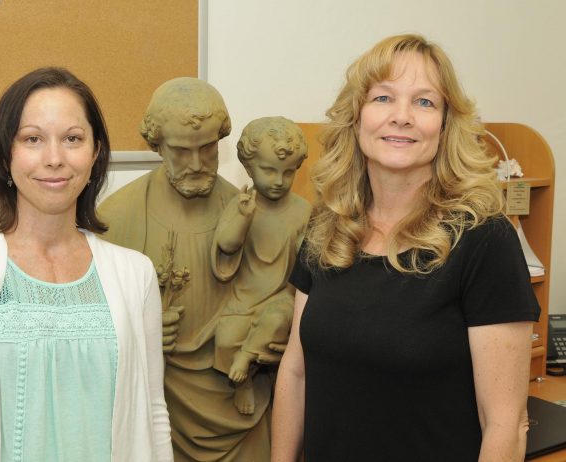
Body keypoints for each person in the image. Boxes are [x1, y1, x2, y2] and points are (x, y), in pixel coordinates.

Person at [272, 34, 540, 462]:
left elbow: (505, 425)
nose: (402, 117)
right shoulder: (328, 226)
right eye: (382, 97)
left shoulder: (485, 240)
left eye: (424, 102)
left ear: (447, 125)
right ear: (356, 117)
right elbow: (297, 372)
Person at [0, 67, 172, 462]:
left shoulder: (135, 275)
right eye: (33, 139)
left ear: (95, 153)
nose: (55, 158)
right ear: (6, 154)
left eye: (73, 139)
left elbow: (152, 412)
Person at [97, 77, 278, 461]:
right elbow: (86, 331)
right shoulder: (116, 219)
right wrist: (137, 327)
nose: (196, 164)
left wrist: (272, 339)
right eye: (181, 150)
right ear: (156, 145)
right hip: (158, 407)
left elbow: (273, 295)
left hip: (235, 404)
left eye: (208, 148)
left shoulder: (250, 213)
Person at [211, 116, 311, 416]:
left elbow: (310, 266)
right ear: (248, 167)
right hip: (245, 298)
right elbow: (226, 246)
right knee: (226, 338)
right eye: (268, 171)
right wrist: (242, 218)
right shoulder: (242, 204)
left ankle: (246, 360)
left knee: (278, 320)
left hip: (283, 296)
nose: (278, 181)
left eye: (288, 173)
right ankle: (245, 378)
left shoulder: (304, 211)